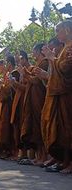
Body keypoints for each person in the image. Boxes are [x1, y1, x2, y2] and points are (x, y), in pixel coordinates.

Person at [41, 20, 72, 174]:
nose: (57, 34)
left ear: (67, 29)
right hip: (60, 94)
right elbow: (56, 71)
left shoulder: (70, 48)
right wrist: (53, 58)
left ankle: (69, 162)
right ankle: (64, 161)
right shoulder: (65, 49)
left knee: (68, 127)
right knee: (60, 128)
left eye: (58, 30)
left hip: (67, 94)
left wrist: (52, 59)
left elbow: (65, 69)